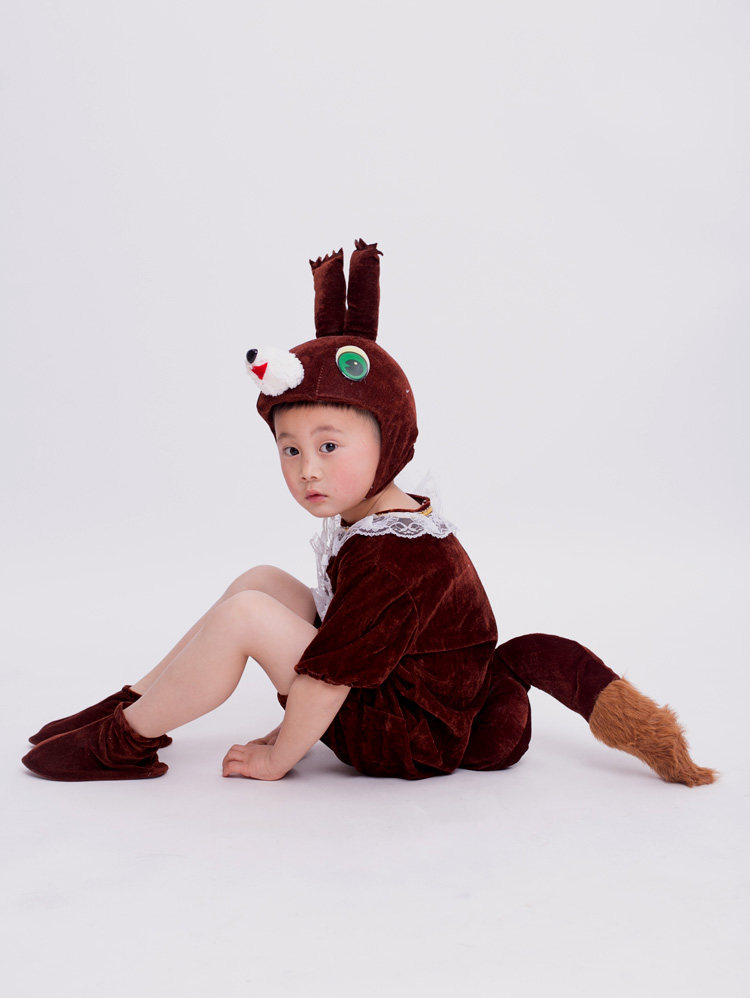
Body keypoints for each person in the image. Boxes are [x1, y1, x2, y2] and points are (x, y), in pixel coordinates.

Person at [22, 240, 716, 787]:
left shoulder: (395, 554)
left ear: (391, 441)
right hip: (395, 689)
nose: (308, 470)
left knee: (247, 618)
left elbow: (330, 675)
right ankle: (132, 702)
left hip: (409, 733)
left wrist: (279, 755)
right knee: (259, 582)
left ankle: (125, 740)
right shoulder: (382, 518)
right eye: (290, 449)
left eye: (330, 446)